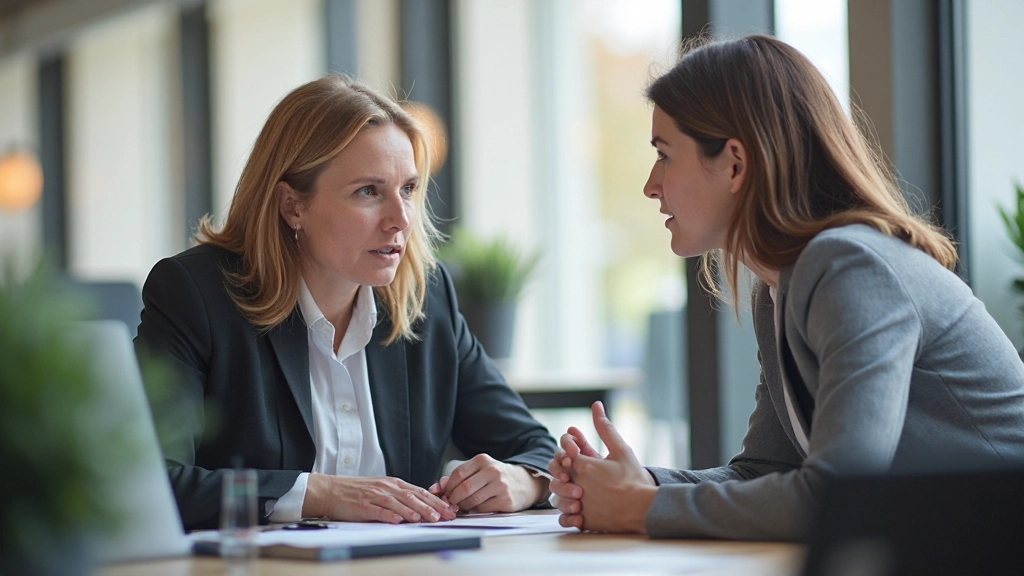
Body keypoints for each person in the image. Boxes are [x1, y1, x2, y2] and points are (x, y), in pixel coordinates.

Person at [548, 34, 1024, 541]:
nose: (650, 184)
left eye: (664, 154)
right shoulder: (780, 286)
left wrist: (640, 507)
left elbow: (839, 497)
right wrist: (636, 485)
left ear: (735, 163)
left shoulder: (850, 268)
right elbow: (764, 473)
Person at [136, 75, 555, 530]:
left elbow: (536, 446)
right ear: (292, 206)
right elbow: (151, 482)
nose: (400, 220)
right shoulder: (194, 294)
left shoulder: (425, 297)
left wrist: (522, 480)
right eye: (368, 192)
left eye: (409, 190)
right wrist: (320, 492)